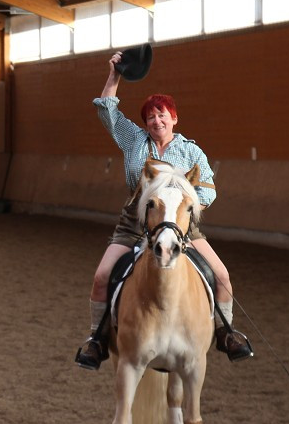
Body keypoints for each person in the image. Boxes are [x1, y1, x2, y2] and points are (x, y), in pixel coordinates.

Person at [74, 51, 253, 370]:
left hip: (180, 225)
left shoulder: (190, 150)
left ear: (174, 118)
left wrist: (183, 208)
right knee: (102, 276)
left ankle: (227, 332)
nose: (156, 121)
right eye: (151, 117)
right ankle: (96, 340)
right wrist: (115, 75)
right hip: (135, 221)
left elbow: (208, 189)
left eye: (162, 115)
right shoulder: (133, 141)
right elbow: (107, 110)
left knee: (222, 275)